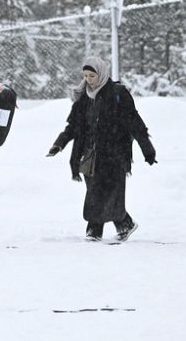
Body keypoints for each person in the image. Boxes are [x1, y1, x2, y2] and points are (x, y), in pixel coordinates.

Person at [48, 56, 156, 242]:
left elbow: (134, 122)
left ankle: (95, 230)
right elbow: (73, 126)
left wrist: (147, 149)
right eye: (85, 76)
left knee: (107, 192)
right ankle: (124, 224)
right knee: (96, 192)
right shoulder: (83, 98)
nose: (88, 80)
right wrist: (59, 144)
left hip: (115, 153)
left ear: (102, 74)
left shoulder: (117, 93)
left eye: (92, 75)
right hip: (90, 154)